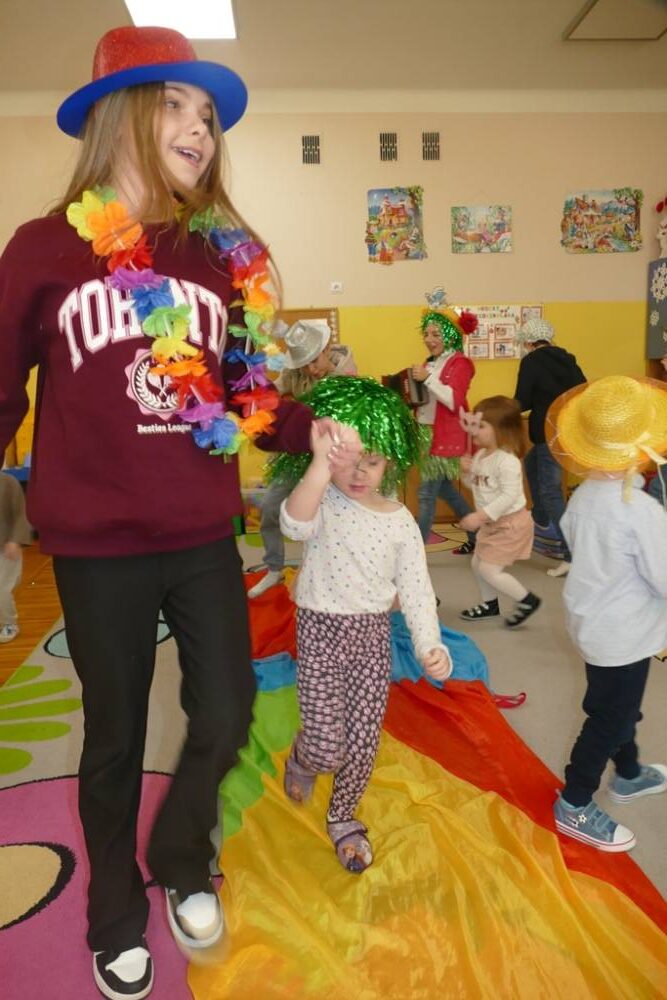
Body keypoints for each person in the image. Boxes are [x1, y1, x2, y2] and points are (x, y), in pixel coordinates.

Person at [0, 25, 362, 1000]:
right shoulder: (42, 247)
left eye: (208, 114)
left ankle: (182, 855)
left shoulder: (216, 259)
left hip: (203, 529)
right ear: (118, 113)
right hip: (96, 544)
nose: (200, 127)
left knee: (228, 710)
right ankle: (113, 912)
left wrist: (317, 429)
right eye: (176, 104)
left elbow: (249, 400)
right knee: (114, 735)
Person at [278, 377, 452, 873]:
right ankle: (304, 758)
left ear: (390, 462)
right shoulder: (324, 497)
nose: (358, 473)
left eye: (371, 462)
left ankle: (343, 818)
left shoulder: (399, 521)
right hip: (320, 631)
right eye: (348, 460)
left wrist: (430, 644)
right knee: (325, 746)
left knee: (362, 742)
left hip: (372, 638)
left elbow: (416, 590)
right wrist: (320, 466)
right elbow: (293, 524)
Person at [547, 375, 667, 851]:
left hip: (594, 626)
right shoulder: (639, 511)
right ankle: (575, 801)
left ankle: (630, 773)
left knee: (618, 705)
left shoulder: (582, 497)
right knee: (610, 717)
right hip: (624, 633)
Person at [248, 319, 356, 598]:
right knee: (270, 508)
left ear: (327, 349)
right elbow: (272, 393)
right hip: (295, 455)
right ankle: (274, 568)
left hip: (330, 459)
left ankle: (329, 574)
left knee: (329, 519)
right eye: (304, 364)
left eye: (315, 361)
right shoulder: (294, 374)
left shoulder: (345, 376)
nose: (311, 369)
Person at [457, 396, 541, 628]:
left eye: (481, 425)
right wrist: (466, 472)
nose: (474, 429)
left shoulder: (507, 461)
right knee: (477, 564)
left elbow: (509, 496)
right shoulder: (480, 456)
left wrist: (479, 516)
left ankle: (527, 600)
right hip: (491, 524)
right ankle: (490, 604)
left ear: (501, 430)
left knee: (489, 569)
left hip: (510, 524)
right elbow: (474, 485)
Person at [514, 318, 585, 577]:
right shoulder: (567, 359)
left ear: (529, 342)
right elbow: (582, 391)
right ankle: (541, 518)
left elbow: (522, 400)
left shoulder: (531, 361)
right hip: (565, 432)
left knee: (550, 491)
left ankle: (570, 555)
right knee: (531, 464)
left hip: (547, 433)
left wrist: (503, 409)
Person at [412, 288, 477, 553]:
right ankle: (478, 534)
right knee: (445, 490)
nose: (429, 340)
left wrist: (427, 379)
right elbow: (429, 400)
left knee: (426, 493)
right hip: (427, 433)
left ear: (450, 335)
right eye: (426, 334)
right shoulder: (431, 362)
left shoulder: (460, 363)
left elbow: (454, 400)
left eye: (436, 334)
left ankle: (415, 551)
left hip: (445, 436)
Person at [0, 470, 33, 642]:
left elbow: (21, 513)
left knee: (2, 589)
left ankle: (9, 623)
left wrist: (15, 540)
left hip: (6, 547)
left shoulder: (8, 482)